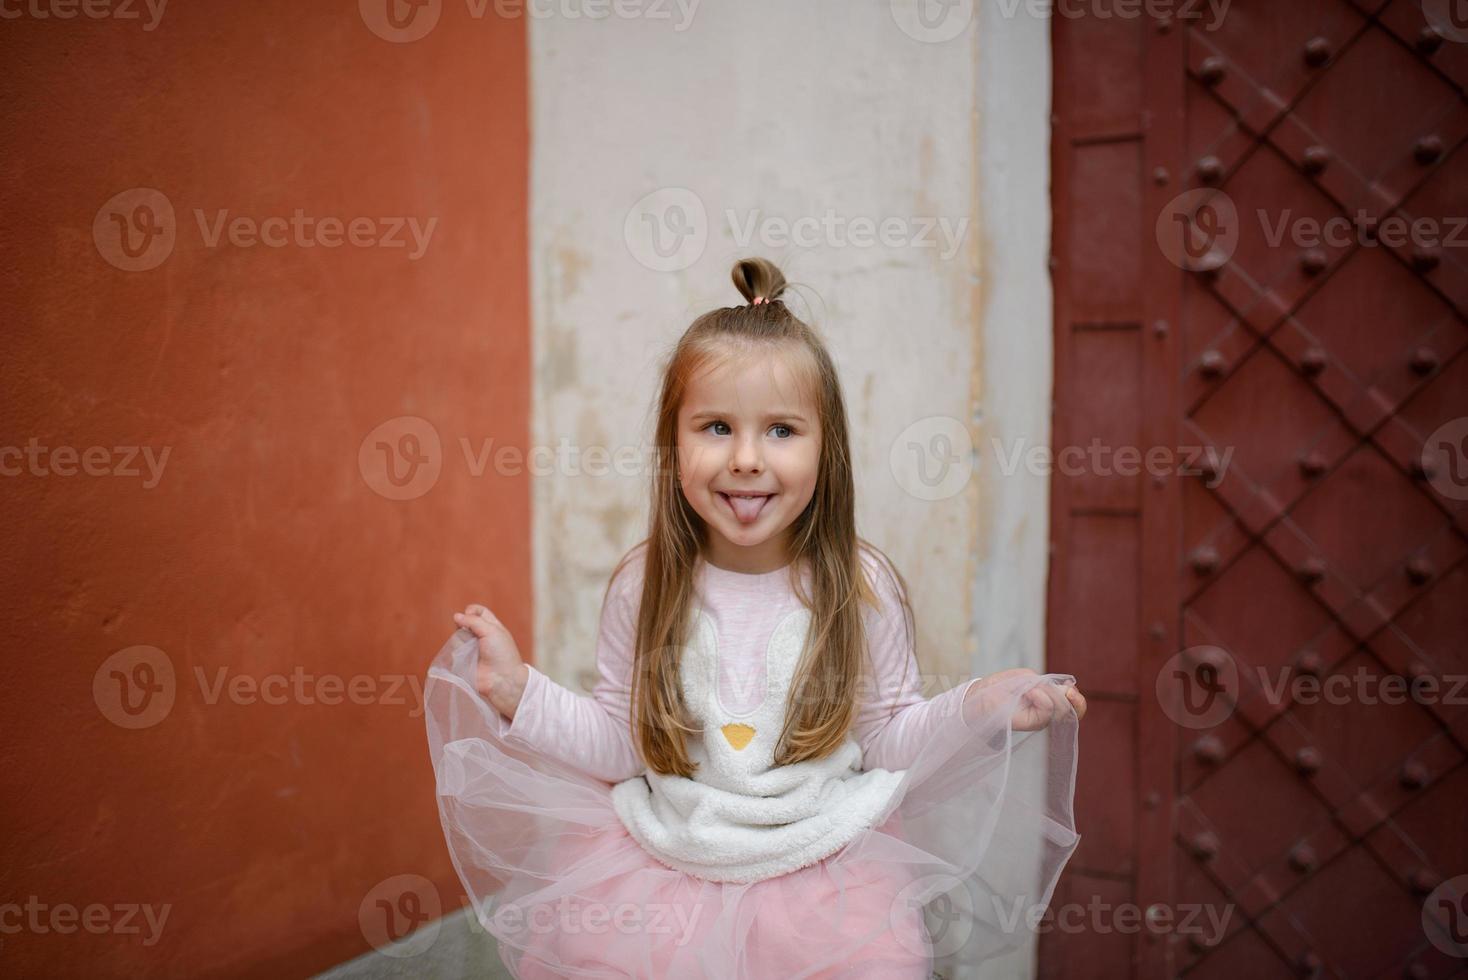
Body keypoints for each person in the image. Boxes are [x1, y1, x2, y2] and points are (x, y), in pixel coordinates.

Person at [425, 257, 1087, 978]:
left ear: (825, 447)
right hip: (666, 870)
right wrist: (521, 691)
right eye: (715, 427)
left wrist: (978, 707)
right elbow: (623, 742)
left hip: (827, 880)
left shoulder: (858, 586)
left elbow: (891, 737)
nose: (745, 458)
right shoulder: (645, 583)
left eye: (780, 430)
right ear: (673, 444)